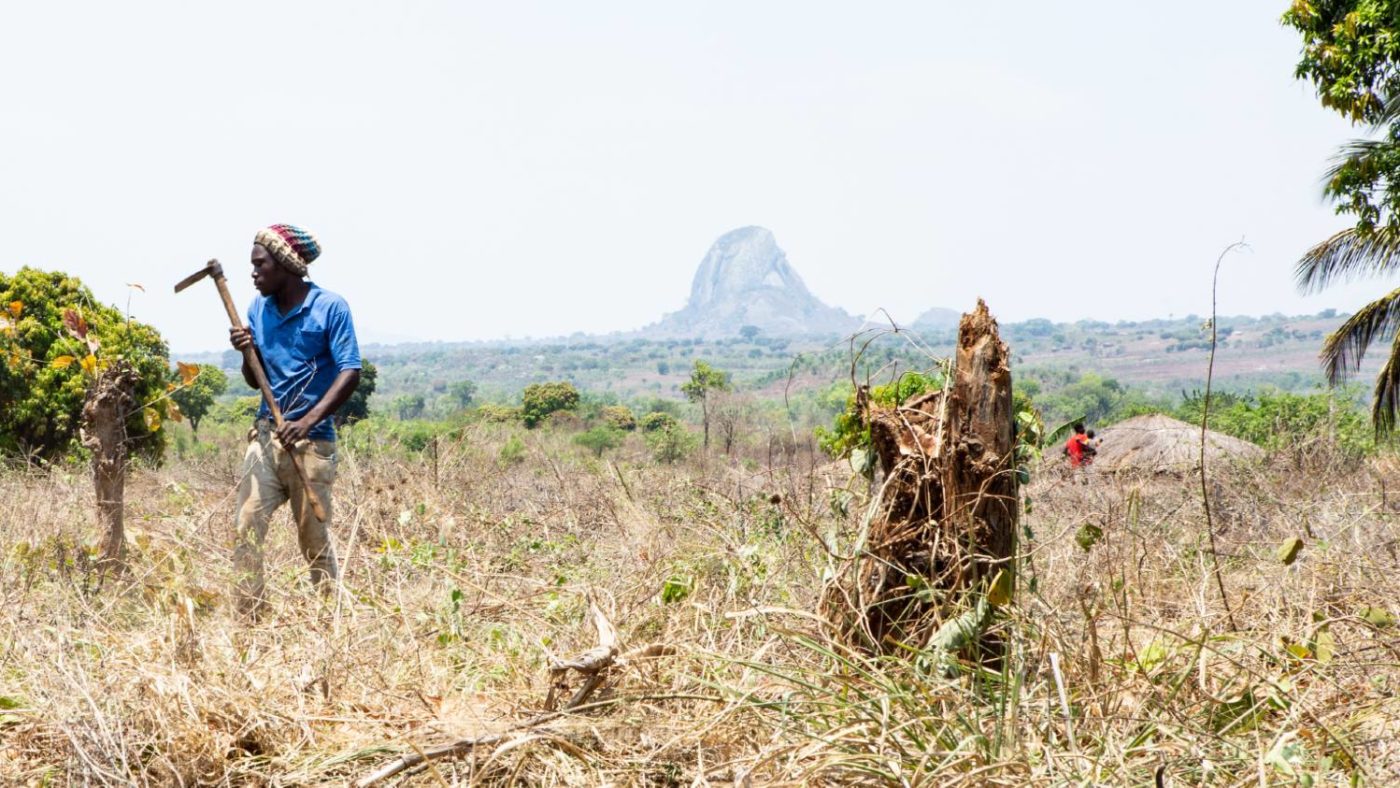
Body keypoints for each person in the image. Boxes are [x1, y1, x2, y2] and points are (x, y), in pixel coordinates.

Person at [229, 224, 361, 616]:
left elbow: (350, 371)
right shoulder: (258, 310)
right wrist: (245, 352)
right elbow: (258, 380)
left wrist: (306, 422)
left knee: (313, 540)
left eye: (259, 265)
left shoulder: (329, 307)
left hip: (312, 443)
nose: (253, 274)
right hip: (266, 437)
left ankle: (328, 623)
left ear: (285, 265)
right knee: (245, 529)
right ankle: (249, 620)